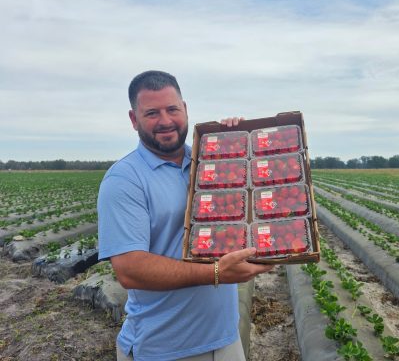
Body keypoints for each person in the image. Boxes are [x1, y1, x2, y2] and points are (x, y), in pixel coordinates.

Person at [97, 70, 273, 361]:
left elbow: (259, 198)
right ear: (133, 119)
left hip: (226, 338)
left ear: (186, 109)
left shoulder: (209, 161)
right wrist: (215, 273)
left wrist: (238, 139)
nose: (165, 121)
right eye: (151, 113)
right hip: (166, 348)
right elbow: (129, 269)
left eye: (172, 109)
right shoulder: (124, 179)